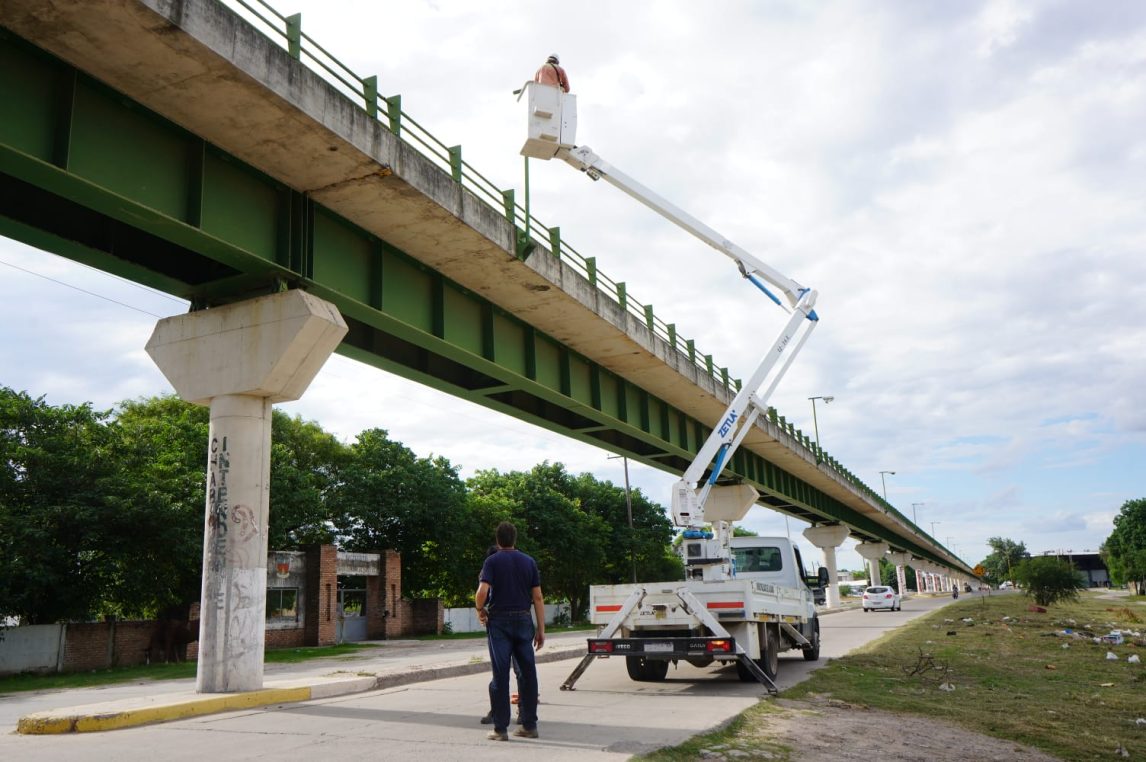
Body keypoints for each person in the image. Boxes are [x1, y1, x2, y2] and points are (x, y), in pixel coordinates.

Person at [476, 521, 545, 741]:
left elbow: (482, 591)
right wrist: (541, 629)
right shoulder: (529, 562)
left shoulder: (491, 561)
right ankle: (529, 725)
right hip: (524, 620)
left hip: (499, 622)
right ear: (514, 539)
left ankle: (500, 729)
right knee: (527, 673)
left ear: (498, 540)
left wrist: (480, 609)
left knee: (500, 674)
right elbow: (538, 597)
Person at [479, 545, 522, 726]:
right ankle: (499, 710)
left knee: (514, 671)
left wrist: (480, 610)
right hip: (509, 623)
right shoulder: (490, 573)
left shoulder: (513, 570)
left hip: (508, 623)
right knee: (506, 672)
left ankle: (520, 712)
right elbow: (482, 596)